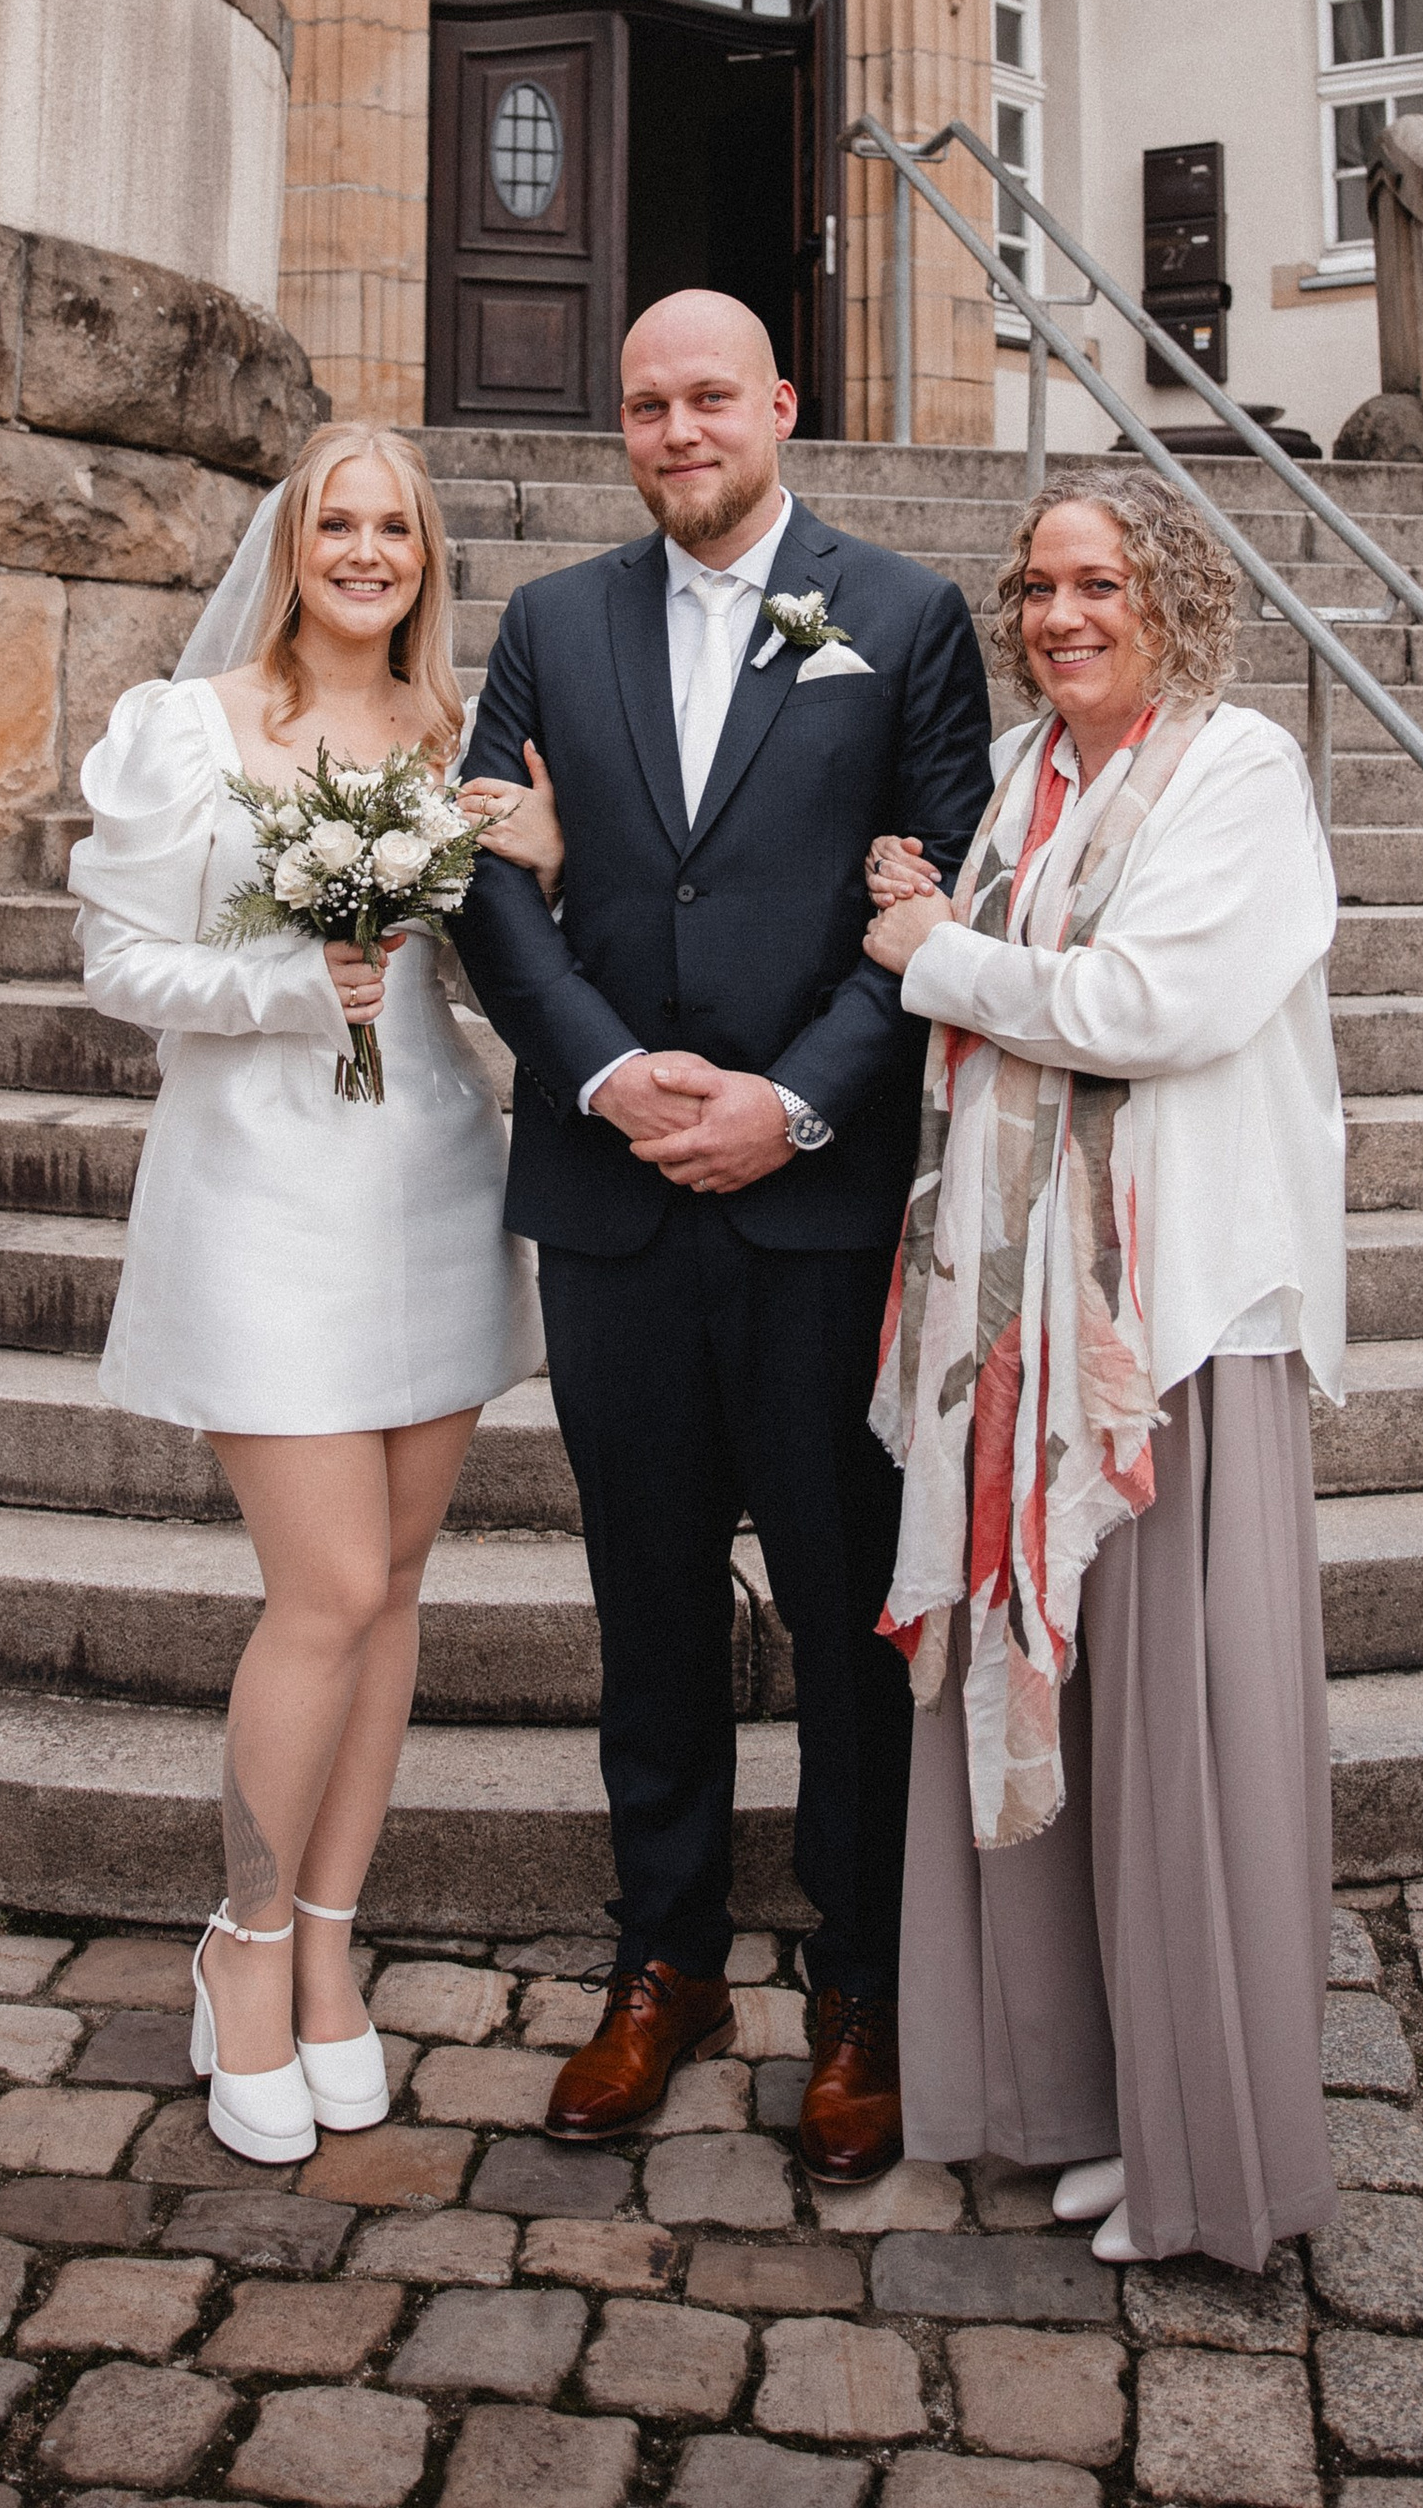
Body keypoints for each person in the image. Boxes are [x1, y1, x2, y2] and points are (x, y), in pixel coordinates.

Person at [453, 291, 994, 2182]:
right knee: (649, 1600)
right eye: (644, 404)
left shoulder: (906, 618)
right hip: (614, 1202)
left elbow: (947, 893)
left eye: (709, 397)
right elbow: (486, 884)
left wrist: (794, 1102)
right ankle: (665, 1955)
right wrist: (607, 1080)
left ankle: (863, 1985)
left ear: (782, 402)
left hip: (821, 1208)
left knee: (852, 1617)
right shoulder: (546, 623)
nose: (677, 429)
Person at [861, 467, 1346, 2269]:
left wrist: (937, 955)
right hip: (1020, 1315)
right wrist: (948, 901)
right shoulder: (1018, 767)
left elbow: (1159, 1002)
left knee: (1181, 1740)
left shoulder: (1240, 769)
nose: (1062, 614)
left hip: (1170, 1331)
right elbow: (1018, 948)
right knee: (1050, 1706)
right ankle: (1091, 2102)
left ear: (1173, 598)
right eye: (1038, 585)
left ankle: (1210, 2152)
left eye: (1102, 583)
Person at [70, 424, 557, 2167]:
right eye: (338, 522)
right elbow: (115, 957)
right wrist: (292, 983)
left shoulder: (454, 736)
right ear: (291, 544)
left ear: (428, 557)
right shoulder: (186, 728)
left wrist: (545, 856)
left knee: (400, 1582)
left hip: (430, 1171)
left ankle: (337, 1944)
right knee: (326, 1582)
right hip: (265, 1188)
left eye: (396, 528)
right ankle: (247, 1943)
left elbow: (505, 953)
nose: (367, 551)